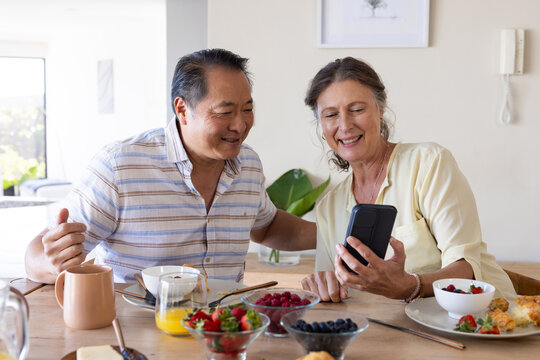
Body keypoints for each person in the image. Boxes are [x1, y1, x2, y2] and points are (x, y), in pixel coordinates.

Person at [25, 48, 315, 284]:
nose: (240, 125)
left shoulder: (247, 163)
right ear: (182, 109)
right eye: (225, 112)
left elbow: (266, 227)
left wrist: (339, 235)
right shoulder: (120, 167)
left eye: (248, 109)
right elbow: (38, 253)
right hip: (136, 337)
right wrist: (49, 261)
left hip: (223, 334)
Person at [300, 57, 516, 302]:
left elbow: (466, 268)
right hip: (400, 332)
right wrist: (323, 285)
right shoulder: (329, 206)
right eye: (330, 115)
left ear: (380, 110)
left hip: (485, 320)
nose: (345, 125)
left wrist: (411, 286)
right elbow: (336, 287)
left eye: (357, 110)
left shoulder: (429, 163)